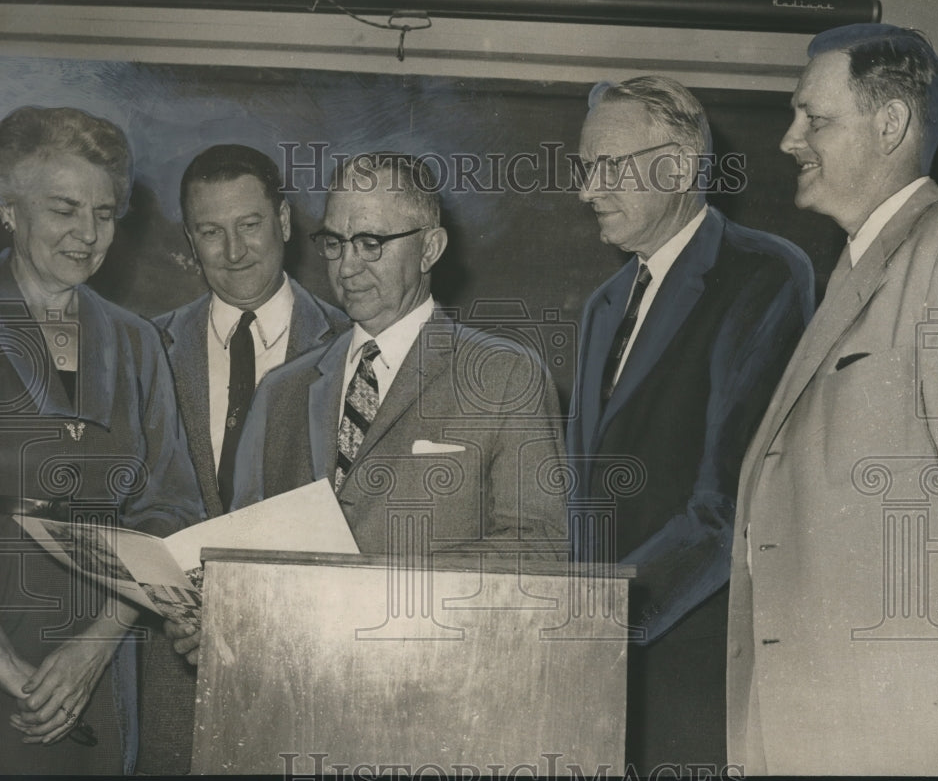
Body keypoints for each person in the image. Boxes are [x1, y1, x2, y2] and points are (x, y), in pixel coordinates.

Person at [726, 24, 938, 775]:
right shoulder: (855, 269)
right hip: (819, 721)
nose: (788, 140)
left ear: (891, 125)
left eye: (815, 118)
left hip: (900, 729)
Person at [566, 76, 814, 774]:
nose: (587, 192)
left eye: (607, 168)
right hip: (598, 671)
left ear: (678, 166)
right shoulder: (603, 304)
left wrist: (605, 623)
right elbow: (582, 501)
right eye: (584, 170)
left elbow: (726, 505)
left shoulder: (764, 273)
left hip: (693, 670)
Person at [230, 151, 567, 557]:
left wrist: (390, 590)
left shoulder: (507, 377)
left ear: (429, 248)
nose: (347, 267)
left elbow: (539, 546)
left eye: (371, 243)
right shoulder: (280, 391)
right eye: (335, 243)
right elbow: (240, 553)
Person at [0, 105, 203, 774]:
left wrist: (95, 646)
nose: (87, 234)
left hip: (105, 665)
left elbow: (169, 512)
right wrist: (11, 672)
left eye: (105, 212)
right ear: (8, 207)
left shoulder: (136, 342)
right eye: (63, 208)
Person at [139, 144, 348, 773]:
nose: (234, 252)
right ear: (189, 239)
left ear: (284, 222)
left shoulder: (351, 345)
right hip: (173, 677)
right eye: (211, 232)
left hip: (308, 672)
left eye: (250, 225)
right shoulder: (144, 346)